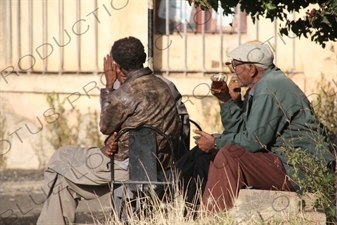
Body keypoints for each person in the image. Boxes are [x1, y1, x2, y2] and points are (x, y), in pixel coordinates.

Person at [37, 36, 181, 224]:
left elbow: (105, 126)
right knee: (62, 180)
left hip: (128, 166)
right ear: (143, 57)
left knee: (59, 160)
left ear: (117, 66)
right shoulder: (163, 86)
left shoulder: (124, 93)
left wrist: (108, 86)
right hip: (160, 163)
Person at [184, 41, 335, 213]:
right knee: (211, 152)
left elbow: (253, 141)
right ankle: (188, 210)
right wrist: (227, 101)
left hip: (299, 170)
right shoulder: (261, 86)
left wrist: (216, 142)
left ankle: (212, 219)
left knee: (229, 155)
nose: (232, 70)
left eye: (235, 65)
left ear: (252, 69)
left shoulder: (269, 88)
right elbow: (240, 133)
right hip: (284, 161)